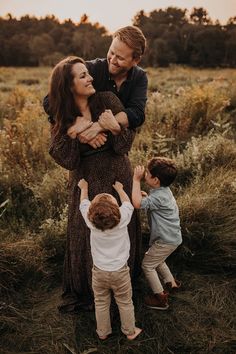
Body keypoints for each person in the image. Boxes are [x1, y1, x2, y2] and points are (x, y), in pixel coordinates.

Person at [48, 56, 141, 313]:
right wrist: (74, 132)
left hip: (117, 177)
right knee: (85, 232)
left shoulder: (107, 101)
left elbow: (124, 145)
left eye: (88, 73)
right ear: (68, 86)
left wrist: (114, 129)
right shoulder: (64, 116)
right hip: (85, 181)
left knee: (121, 227)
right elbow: (65, 158)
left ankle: (122, 282)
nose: (90, 78)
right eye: (82, 76)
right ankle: (90, 288)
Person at [44, 25, 148, 138]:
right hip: (76, 142)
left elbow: (137, 114)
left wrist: (99, 127)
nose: (112, 60)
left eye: (120, 58)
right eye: (111, 52)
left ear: (136, 60)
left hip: (114, 143)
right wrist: (76, 123)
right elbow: (50, 101)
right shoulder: (88, 69)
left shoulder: (140, 77)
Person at [78, 179, 142, 340]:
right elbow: (127, 203)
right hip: (120, 271)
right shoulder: (123, 218)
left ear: (92, 212)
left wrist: (84, 188)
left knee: (100, 302)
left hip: (99, 271)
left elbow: (83, 203)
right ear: (116, 209)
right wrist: (119, 190)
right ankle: (130, 332)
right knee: (125, 302)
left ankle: (103, 332)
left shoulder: (90, 221)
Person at [132, 157, 182, 310]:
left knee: (147, 265)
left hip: (165, 240)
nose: (145, 174)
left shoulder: (159, 196)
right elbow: (152, 203)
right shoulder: (163, 192)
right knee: (158, 259)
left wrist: (136, 180)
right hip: (172, 238)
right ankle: (171, 283)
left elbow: (137, 204)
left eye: (147, 173)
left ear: (155, 180)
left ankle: (160, 298)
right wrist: (148, 197)